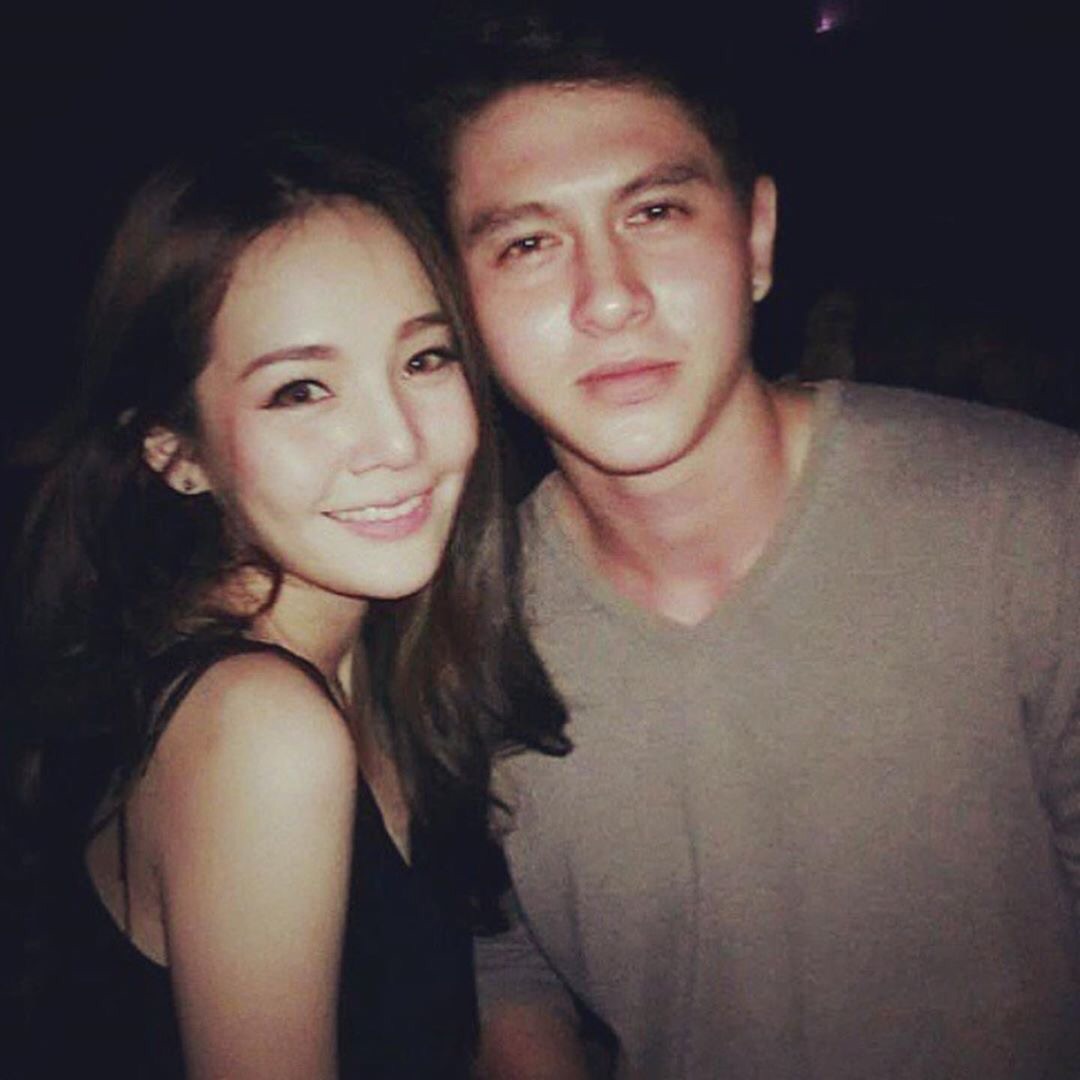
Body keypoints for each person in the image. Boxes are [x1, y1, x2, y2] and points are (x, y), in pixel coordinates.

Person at [415, 20, 1080, 1079]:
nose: (609, 296)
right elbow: (511, 969)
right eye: (528, 244)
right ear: (459, 301)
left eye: (655, 212)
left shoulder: (1038, 522)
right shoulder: (458, 631)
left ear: (757, 237)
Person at [3, 137, 568, 1079]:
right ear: (176, 450)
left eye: (425, 358)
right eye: (301, 390)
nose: (396, 442)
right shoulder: (261, 728)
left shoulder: (382, 659)